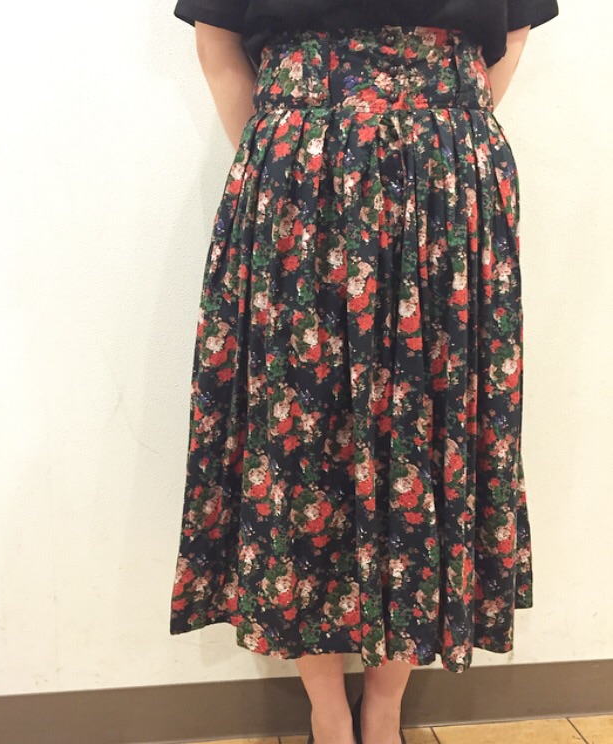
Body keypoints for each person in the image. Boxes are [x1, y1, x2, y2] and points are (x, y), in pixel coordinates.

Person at [168, 3, 559, 744]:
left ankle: (386, 704)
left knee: (429, 426)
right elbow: (217, 39)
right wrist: (291, 152)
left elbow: (512, 31)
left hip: (446, 180)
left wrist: (437, 130)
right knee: (299, 434)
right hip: (299, 174)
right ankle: (326, 707)